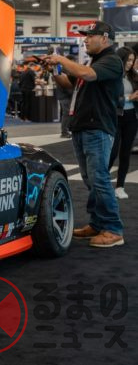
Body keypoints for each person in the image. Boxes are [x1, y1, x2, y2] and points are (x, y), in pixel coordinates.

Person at [44, 21, 124, 248]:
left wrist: (60, 59)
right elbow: (68, 83)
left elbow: (86, 75)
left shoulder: (111, 60)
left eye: (90, 36)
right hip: (82, 127)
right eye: (85, 36)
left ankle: (113, 229)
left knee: (99, 179)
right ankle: (98, 224)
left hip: (98, 127)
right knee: (90, 180)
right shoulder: (92, 62)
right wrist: (54, 70)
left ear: (105, 38)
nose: (85, 40)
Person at [108, 47, 138, 199]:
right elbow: (109, 98)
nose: (130, 63)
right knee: (112, 152)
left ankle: (120, 186)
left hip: (131, 117)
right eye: (128, 60)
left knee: (125, 153)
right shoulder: (112, 76)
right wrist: (128, 98)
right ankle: (103, 183)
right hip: (115, 117)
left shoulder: (134, 76)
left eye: (133, 60)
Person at [53, 55, 78, 138]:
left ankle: (66, 130)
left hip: (66, 95)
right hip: (65, 95)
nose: (74, 63)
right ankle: (64, 132)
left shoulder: (63, 69)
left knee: (67, 113)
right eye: (74, 61)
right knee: (66, 114)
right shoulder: (64, 70)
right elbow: (63, 83)